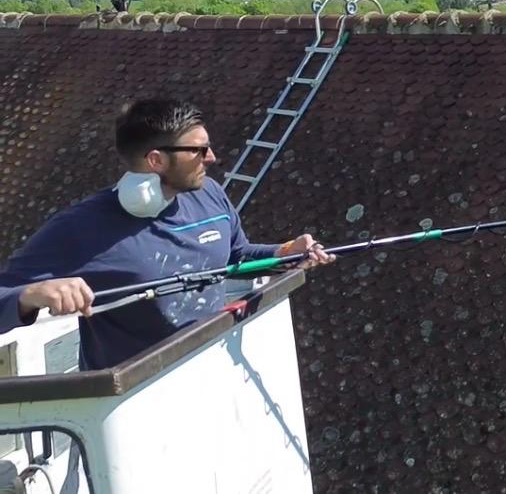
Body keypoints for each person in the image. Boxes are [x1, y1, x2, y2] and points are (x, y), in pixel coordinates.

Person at [0, 98, 334, 370]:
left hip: (209, 372)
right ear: (156, 160)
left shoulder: (211, 195)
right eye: (198, 150)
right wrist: (32, 294)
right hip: (129, 403)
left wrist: (285, 253)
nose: (212, 158)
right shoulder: (81, 227)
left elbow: (236, 255)